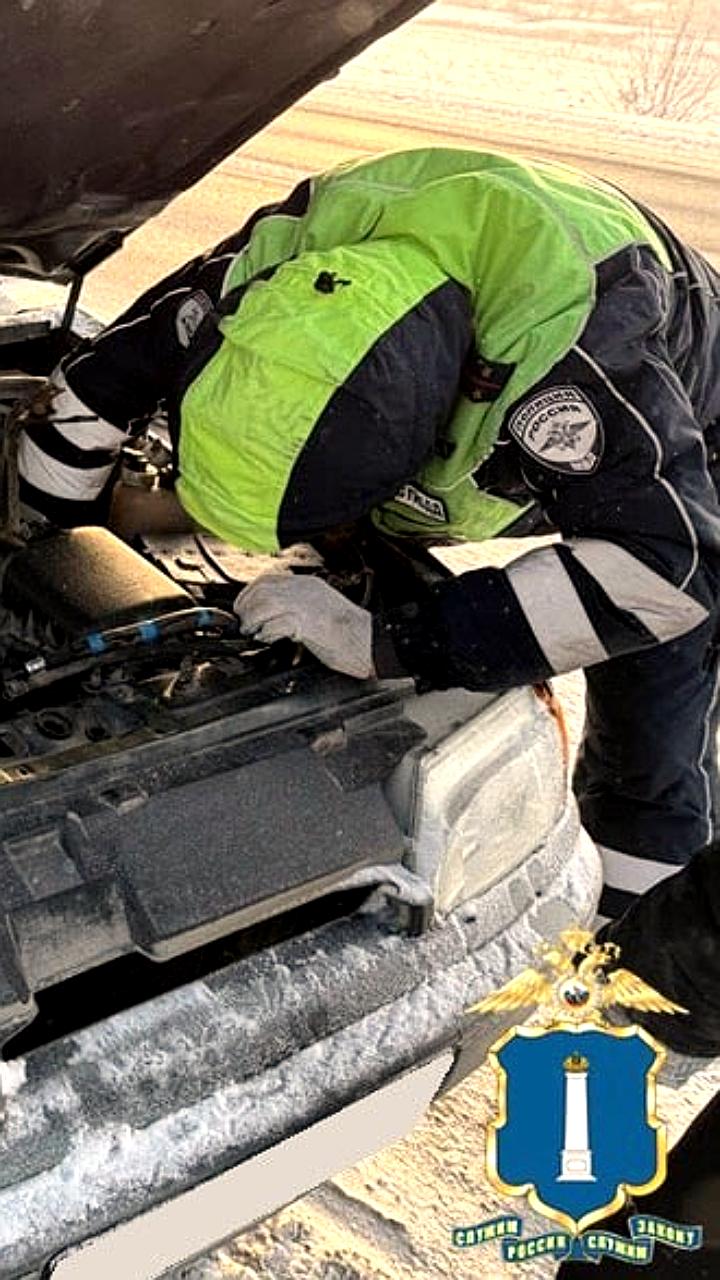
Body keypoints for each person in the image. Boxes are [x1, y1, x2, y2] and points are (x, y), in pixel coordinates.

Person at [16, 147, 720, 922]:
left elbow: (669, 574)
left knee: (650, 738)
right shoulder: (264, 266)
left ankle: (628, 978)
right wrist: (68, 567)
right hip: (461, 291)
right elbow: (83, 397)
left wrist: (387, 643)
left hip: (685, 440)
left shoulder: (574, 348)